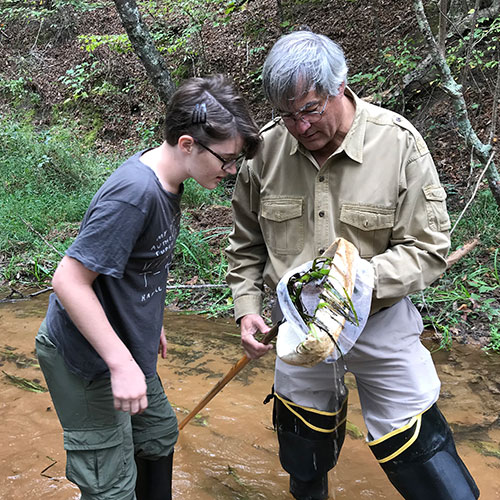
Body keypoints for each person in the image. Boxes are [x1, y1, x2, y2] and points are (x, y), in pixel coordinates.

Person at [226, 31, 479, 500]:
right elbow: (245, 246)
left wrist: (359, 281)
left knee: (429, 465)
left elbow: (428, 249)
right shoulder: (265, 152)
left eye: (309, 110)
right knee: (303, 455)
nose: (299, 127)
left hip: (380, 322)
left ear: (339, 87)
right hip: (298, 330)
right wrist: (246, 309)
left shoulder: (398, 144)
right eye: (286, 114)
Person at [35, 74, 261, 500]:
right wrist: (121, 364)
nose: (230, 171)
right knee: (110, 485)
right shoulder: (134, 193)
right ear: (187, 144)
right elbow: (67, 280)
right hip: (84, 358)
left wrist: (145, 320)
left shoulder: (169, 184)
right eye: (226, 159)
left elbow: (136, 267)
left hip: (122, 341)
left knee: (157, 436)